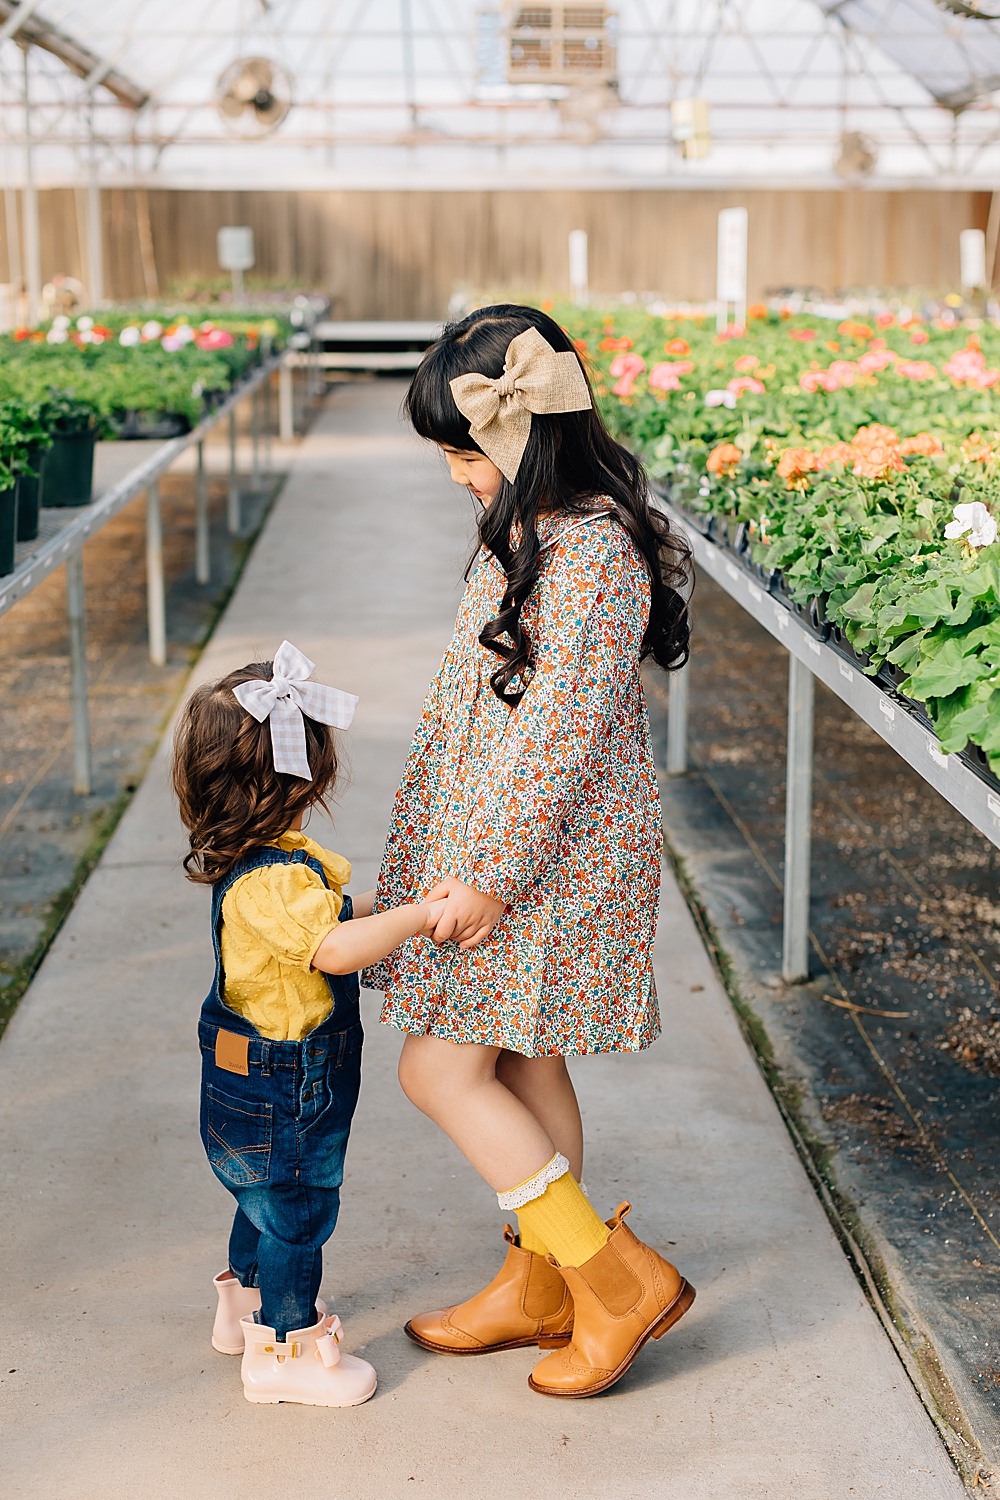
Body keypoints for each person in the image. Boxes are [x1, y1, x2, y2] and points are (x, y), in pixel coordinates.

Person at [366, 306, 696, 1399]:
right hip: (500, 847)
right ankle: (542, 1286)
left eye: (465, 453)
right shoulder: (532, 530)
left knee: (437, 1066)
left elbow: (555, 736)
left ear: (522, 435)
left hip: (541, 863)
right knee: (520, 1057)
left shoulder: (591, 553)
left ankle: (612, 1281)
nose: (455, 476)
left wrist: (487, 875)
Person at [172, 640, 446, 1408]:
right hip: (284, 1088)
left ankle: (241, 1307)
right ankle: (285, 1352)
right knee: (296, 1212)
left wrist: (391, 905)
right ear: (297, 777)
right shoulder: (277, 881)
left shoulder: (258, 863)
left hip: (244, 1075)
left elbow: (327, 920)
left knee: (259, 1196)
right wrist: (420, 919)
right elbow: (332, 946)